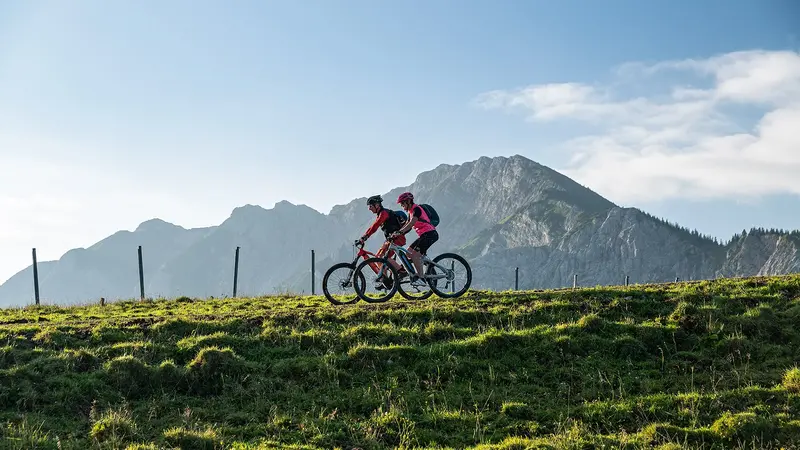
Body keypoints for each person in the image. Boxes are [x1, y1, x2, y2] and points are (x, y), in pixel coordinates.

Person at [389, 192, 438, 286]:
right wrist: (396, 234)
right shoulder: (410, 212)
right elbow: (406, 226)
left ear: (408, 201)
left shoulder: (416, 209)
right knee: (408, 253)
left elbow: (411, 223)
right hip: (424, 235)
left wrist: (399, 233)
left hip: (430, 234)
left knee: (415, 255)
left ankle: (421, 278)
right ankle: (423, 264)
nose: (402, 206)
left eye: (402, 203)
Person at [356, 195, 409, 279]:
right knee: (378, 257)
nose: (369, 209)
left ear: (377, 205)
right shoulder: (381, 213)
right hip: (391, 240)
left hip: (397, 239)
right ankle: (385, 279)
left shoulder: (384, 213)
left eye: (370, 206)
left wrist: (364, 237)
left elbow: (374, 226)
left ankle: (401, 271)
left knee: (382, 257)